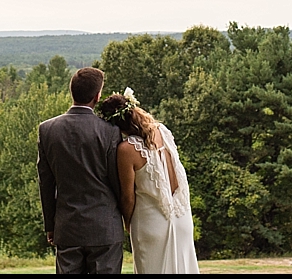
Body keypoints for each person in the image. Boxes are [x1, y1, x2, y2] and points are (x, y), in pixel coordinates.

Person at [97, 88, 199, 274]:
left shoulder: (127, 150)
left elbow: (128, 197)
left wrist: (126, 223)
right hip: (182, 219)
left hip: (151, 224)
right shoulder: (163, 131)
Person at [37, 67, 125, 274]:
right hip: (105, 228)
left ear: (72, 92)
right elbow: (117, 181)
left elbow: (46, 183)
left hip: (67, 228)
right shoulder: (110, 131)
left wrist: (51, 225)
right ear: (97, 96)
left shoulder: (47, 129)